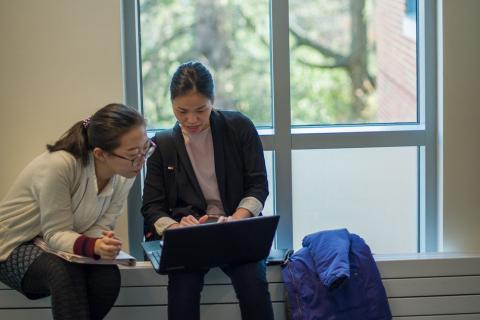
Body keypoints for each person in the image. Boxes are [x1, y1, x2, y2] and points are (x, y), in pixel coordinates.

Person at [141, 61, 274, 320]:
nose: (191, 120)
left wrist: (235, 220)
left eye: (201, 110)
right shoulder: (163, 144)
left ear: (212, 101)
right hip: (189, 238)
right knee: (183, 285)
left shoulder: (239, 128)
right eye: (182, 111)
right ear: (171, 104)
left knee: (252, 282)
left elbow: (258, 186)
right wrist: (174, 227)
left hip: (236, 229)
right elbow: (151, 206)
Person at [0, 103, 154, 320]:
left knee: (107, 277)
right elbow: (55, 232)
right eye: (132, 154)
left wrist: (103, 242)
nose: (141, 160)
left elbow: (100, 224)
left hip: (56, 244)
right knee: (63, 273)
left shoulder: (124, 172)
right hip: (13, 243)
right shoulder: (61, 165)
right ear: (100, 154)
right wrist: (93, 246)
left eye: (146, 148)